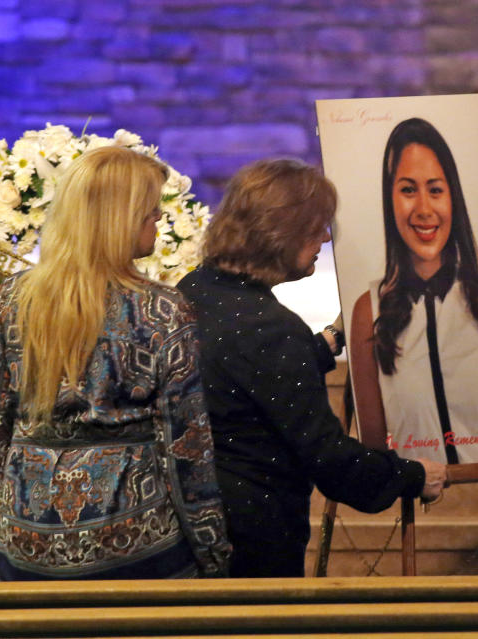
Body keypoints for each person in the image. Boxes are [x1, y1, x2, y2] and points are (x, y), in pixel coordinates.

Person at [0, 146, 231, 581]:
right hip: (136, 552)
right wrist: (213, 555)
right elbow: (186, 451)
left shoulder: (14, 300)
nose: (158, 218)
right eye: (151, 211)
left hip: (28, 549)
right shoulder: (164, 310)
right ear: (120, 218)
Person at [177, 158, 446, 578]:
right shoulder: (271, 330)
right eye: (317, 226)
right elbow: (331, 461)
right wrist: (413, 476)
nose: (325, 237)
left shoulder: (194, 289)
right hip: (251, 541)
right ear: (281, 233)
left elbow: (242, 375)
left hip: (189, 528)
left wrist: (332, 340)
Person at [349, 117, 478, 465]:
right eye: (408, 190)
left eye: (436, 190)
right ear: (388, 199)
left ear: (453, 197)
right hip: (415, 497)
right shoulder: (369, 313)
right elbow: (375, 456)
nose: (424, 209)